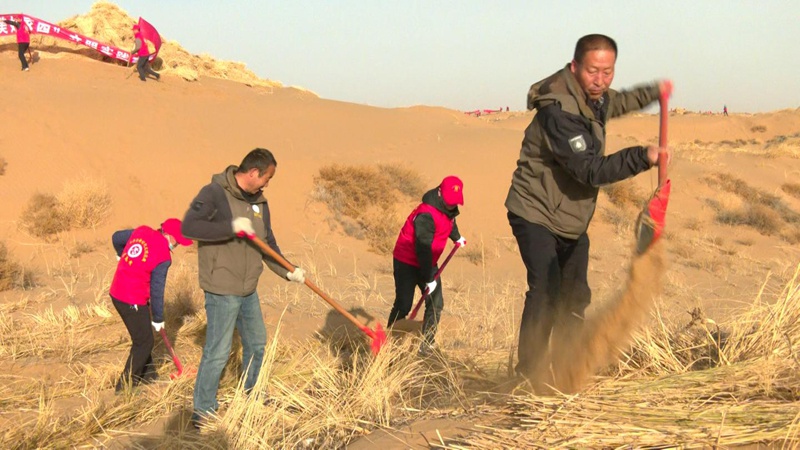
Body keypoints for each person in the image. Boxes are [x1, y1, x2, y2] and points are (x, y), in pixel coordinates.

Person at [504, 34, 672, 384]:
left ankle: (566, 366)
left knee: (575, 297)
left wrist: (654, 92)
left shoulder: (594, 97)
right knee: (546, 290)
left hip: (571, 219)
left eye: (607, 72)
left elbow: (618, 100)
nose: (600, 80)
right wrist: (643, 156)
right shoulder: (558, 111)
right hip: (535, 211)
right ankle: (528, 374)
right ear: (575, 66)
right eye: (593, 71)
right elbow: (589, 169)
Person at [181, 148, 306, 427]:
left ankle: (253, 393)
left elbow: (268, 243)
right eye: (267, 178)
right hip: (222, 287)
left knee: (257, 343)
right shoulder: (214, 193)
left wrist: (289, 271)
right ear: (253, 173)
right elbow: (189, 228)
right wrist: (228, 226)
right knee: (218, 350)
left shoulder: (260, 202)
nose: (267, 184)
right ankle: (203, 410)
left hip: (248, 287)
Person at [110, 218, 192, 392]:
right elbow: (157, 289)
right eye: (176, 241)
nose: (176, 245)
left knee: (142, 334)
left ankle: (148, 375)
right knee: (144, 342)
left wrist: (121, 254)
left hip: (116, 292)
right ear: (168, 235)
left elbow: (116, 237)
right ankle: (125, 386)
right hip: (131, 298)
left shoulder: (142, 231)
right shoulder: (163, 256)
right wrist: (158, 318)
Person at [387, 176, 466, 355]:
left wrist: (457, 237)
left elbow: (450, 221)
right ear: (440, 193)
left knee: (436, 302)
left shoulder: (448, 210)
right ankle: (390, 341)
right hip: (407, 261)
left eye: (455, 203)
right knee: (404, 304)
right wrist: (429, 279)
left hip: (428, 261)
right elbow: (422, 249)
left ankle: (427, 344)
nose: (452, 206)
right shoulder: (426, 214)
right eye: (450, 202)